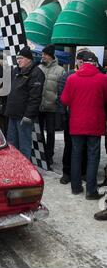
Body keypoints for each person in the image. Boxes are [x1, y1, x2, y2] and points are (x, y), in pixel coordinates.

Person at [61, 51, 107, 199]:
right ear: (94, 63)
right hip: (95, 123)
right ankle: (91, 191)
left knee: (76, 154)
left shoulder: (72, 78)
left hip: (76, 123)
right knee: (93, 156)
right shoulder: (103, 79)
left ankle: (76, 187)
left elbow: (65, 100)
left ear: (81, 63)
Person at [5, 46, 45, 159]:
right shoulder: (15, 71)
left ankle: (25, 172)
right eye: (17, 58)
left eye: (21, 58)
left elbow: (35, 97)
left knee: (24, 146)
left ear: (29, 59)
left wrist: (28, 115)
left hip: (24, 117)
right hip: (12, 114)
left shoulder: (36, 73)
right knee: (12, 144)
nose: (18, 61)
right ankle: (14, 167)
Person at [57, 51, 87, 184]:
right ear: (77, 61)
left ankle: (83, 171)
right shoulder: (68, 75)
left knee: (85, 146)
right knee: (69, 145)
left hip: (86, 117)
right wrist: (63, 115)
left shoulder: (92, 75)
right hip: (71, 117)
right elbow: (61, 97)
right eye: (82, 61)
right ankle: (67, 172)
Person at [38, 44, 65, 168]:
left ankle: (49, 156)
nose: (42, 56)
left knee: (50, 133)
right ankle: (41, 154)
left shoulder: (60, 70)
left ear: (49, 55)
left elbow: (62, 90)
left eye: (44, 54)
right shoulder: (39, 68)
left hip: (52, 107)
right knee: (38, 132)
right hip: (39, 106)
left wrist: (58, 105)